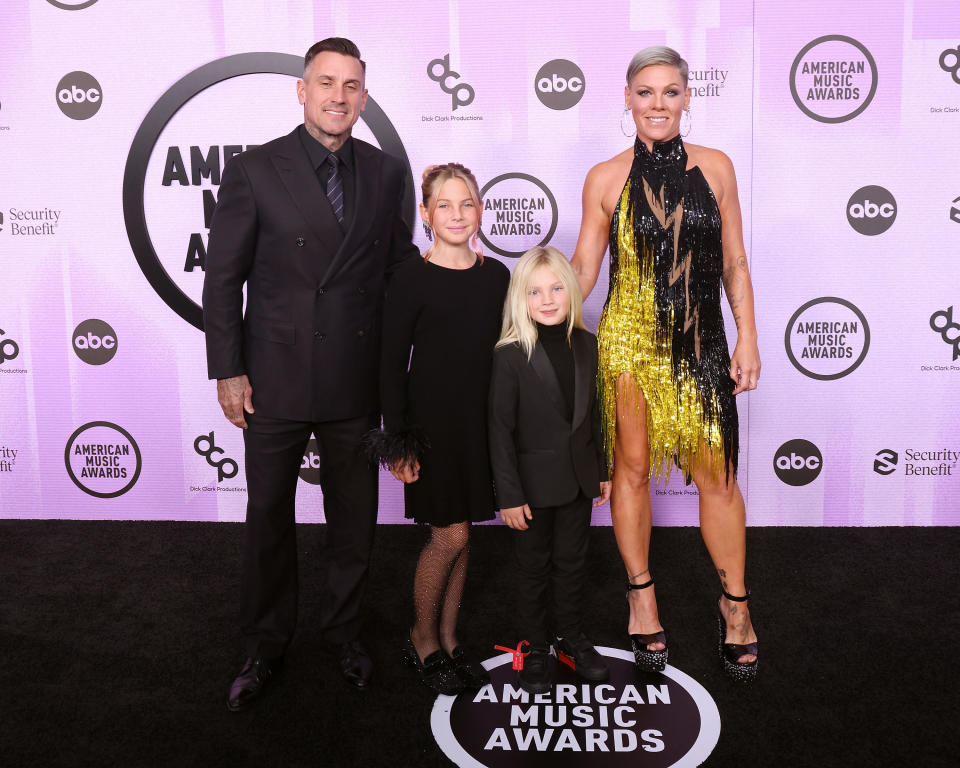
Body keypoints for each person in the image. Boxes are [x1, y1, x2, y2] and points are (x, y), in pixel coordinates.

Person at [202, 37, 418, 711]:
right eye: (326, 83)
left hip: (354, 379)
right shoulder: (255, 170)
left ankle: (345, 635)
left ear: (363, 94)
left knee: (353, 522)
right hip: (274, 376)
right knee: (267, 516)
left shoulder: (386, 174)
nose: (338, 97)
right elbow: (222, 280)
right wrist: (228, 370)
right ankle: (263, 647)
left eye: (351, 86)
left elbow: (393, 279)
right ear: (302, 90)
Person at [570, 46, 761, 682]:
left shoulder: (719, 168)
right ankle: (641, 595)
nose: (658, 104)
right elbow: (583, 273)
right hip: (627, 346)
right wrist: (529, 312)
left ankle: (735, 607)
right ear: (626, 99)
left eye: (670, 92)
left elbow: (734, 261)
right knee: (630, 472)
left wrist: (748, 336)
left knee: (719, 478)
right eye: (645, 92)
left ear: (686, 98)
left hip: (702, 342)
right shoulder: (603, 178)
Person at [372, 163, 509, 694]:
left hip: (479, 426)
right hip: (430, 429)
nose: (457, 214)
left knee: (466, 531)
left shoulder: (496, 276)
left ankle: (450, 638)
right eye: (444, 205)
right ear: (426, 214)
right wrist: (398, 441)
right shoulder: (409, 278)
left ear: (480, 211)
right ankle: (421, 636)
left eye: (467, 203)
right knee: (447, 533)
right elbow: (390, 364)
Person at [488, 246, 612, 694]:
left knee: (573, 563)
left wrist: (603, 468)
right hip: (531, 490)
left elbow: (596, 415)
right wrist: (509, 495)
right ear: (521, 298)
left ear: (571, 291)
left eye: (557, 288)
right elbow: (499, 431)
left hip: (579, 481)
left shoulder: (587, 345)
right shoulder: (509, 355)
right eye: (536, 291)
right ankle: (536, 645)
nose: (548, 299)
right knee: (532, 567)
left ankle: (570, 637)